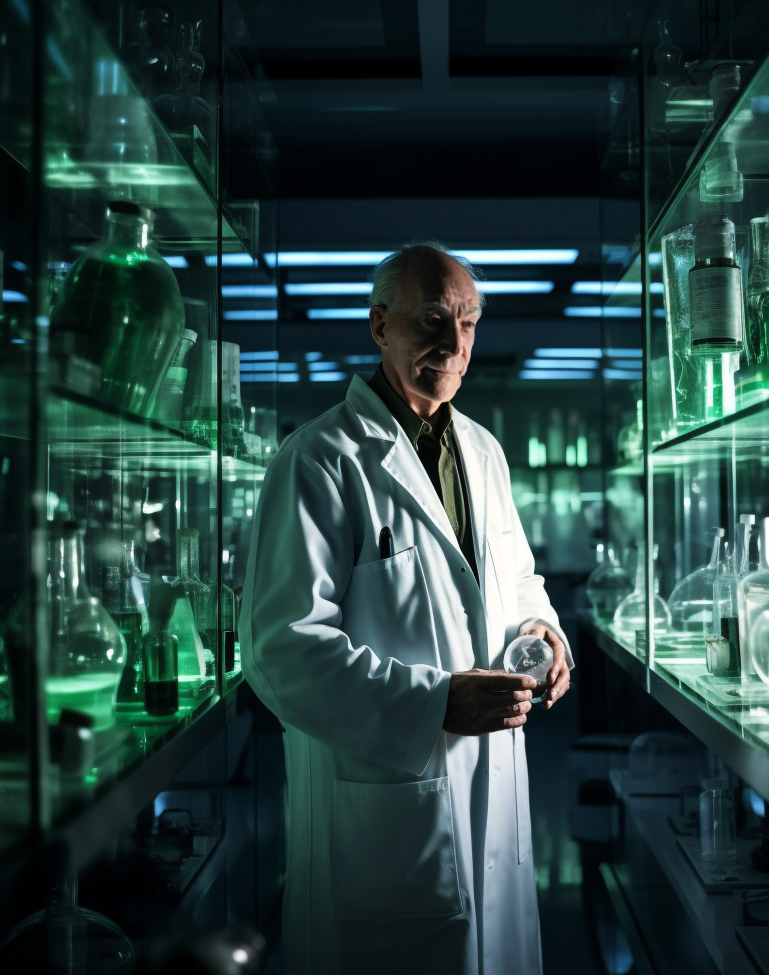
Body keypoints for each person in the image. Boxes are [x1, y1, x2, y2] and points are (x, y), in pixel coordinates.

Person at [239, 241, 573, 975]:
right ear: (378, 325)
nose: (455, 345)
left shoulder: (482, 450)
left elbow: (518, 578)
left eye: (470, 322)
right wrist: (435, 705)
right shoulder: (319, 457)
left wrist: (545, 632)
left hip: (493, 785)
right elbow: (280, 651)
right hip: (388, 809)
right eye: (432, 320)